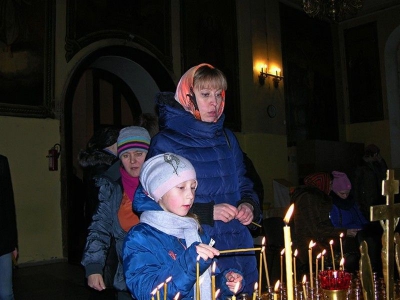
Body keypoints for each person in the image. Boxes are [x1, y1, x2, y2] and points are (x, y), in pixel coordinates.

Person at [146, 63, 262, 294]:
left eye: (219, 95)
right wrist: (208, 212)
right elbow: (148, 202)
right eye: (206, 94)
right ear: (188, 97)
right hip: (195, 248)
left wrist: (248, 205)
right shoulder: (166, 142)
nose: (215, 103)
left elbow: (244, 182)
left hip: (238, 246)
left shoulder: (227, 138)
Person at [123, 153, 244, 299]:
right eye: (181, 187)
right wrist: (189, 264)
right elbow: (146, 292)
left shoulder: (194, 229)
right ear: (158, 193)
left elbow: (206, 282)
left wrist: (225, 282)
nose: (190, 195)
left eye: (193, 187)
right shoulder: (140, 237)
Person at [81, 126, 151, 300]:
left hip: (162, 275)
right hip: (127, 278)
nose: (133, 161)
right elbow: (99, 226)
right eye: (126, 155)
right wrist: (94, 266)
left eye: (139, 154)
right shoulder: (111, 186)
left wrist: (209, 212)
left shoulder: (163, 183)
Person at [291, 172, 345, 273]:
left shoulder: (316, 197)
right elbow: (315, 228)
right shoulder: (308, 198)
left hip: (316, 243)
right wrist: (344, 232)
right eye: (329, 184)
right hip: (309, 247)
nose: (331, 187)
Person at [353, 144, 388, 220]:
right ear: (375, 154)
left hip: (377, 197)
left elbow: (385, 174)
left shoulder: (375, 165)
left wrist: (381, 162)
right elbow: (356, 185)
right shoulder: (360, 166)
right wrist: (358, 202)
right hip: (367, 200)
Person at [0, 154, 18, 300]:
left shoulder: (1, 162)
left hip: (2, 240)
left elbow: (8, 204)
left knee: (5, 293)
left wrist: (13, 243)